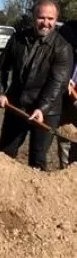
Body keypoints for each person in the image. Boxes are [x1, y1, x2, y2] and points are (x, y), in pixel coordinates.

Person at [0, 0, 73, 170]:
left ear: (56, 19)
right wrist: (0, 92)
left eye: (50, 18)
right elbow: (1, 67)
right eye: (41, 17)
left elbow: (57, 83)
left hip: (47, 111)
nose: (46, 23)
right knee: (4, 155)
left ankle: (35, 195)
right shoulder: (17, 39)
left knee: (37, 159)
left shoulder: (62, 47)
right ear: (33, 17)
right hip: (17, 106)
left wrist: (41, 109)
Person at [55, 20, 77, 168]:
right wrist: (65, 79)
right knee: (65, 136)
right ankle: (66, 173)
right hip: (66, 94)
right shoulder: (69, 29)